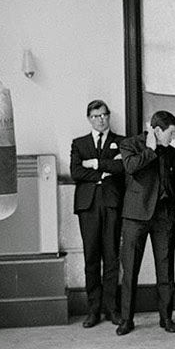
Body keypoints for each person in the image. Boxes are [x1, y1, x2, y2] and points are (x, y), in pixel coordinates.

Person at [117, 110, 175, 336]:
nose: (173, 137)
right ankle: (126, 320)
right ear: (157, 131)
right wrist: (151, 150)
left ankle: (166, 318)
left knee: (166, 270)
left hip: (164, 217)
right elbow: (130, 167)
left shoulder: (174, 153)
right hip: (136, 217)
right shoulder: (130, 145)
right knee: (130, 270)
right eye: (171, 133)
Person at [70, 100, 125, 328]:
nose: (100, 119)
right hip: (88, 206)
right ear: (89, 119)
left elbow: (122, 168)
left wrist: (94, 163)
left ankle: (112, 308)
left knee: (112, 257)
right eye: (95, 116)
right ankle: (93, 310)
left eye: (103, 115)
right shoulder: (79, 143)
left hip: (112, 204)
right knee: (91, 257)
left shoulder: (121, 142)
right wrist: (103, 173)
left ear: (108, 116)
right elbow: (75, 172)